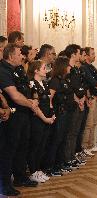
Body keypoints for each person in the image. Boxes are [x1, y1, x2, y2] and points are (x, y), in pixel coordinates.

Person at [0, 43, 39, 196]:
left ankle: (20, 177)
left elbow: (28, 88)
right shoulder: (3, 70)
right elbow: (14, 95)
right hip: (12, 116)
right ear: (10, 56)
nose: (22, 56)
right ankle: (4, 184)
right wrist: (32, 104)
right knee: (9, 150)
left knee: (22, 147)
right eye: (18, 54)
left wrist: (33, 101)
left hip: (24, 114)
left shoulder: (18, 69)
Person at [45, 56, 75, 176]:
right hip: (60, 113)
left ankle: (60, 163)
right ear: (63, 67)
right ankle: (50, 166)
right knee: (56, 140)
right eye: (68, 65)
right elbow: (50, 98)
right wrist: (52, 112)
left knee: (62, 139)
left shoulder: (65, 79)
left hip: (67, 112)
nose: (70, 67)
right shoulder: (55, 80)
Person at [27, 60, 55, 183]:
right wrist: (45, 118)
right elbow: (35, 105)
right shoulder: (32, 84)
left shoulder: (44, 83)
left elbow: (49, 100)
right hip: (37, 119)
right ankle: (32, 171)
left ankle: (38, 169)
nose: (46, 70)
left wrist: (52, 113)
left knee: (42, 145)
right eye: (44, 68)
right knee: (35, 145)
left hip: (47, 118)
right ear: (36, 70)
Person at [80, 47, 97, 155]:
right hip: (90, 98)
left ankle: (91, 145)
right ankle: (85, 146)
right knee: (89, 123)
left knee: (94, 123)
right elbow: (93, 83)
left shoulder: (93, 67)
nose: (95, 55)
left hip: (96, 97)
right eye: (93, 53)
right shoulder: (84, 68)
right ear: (86, 56)